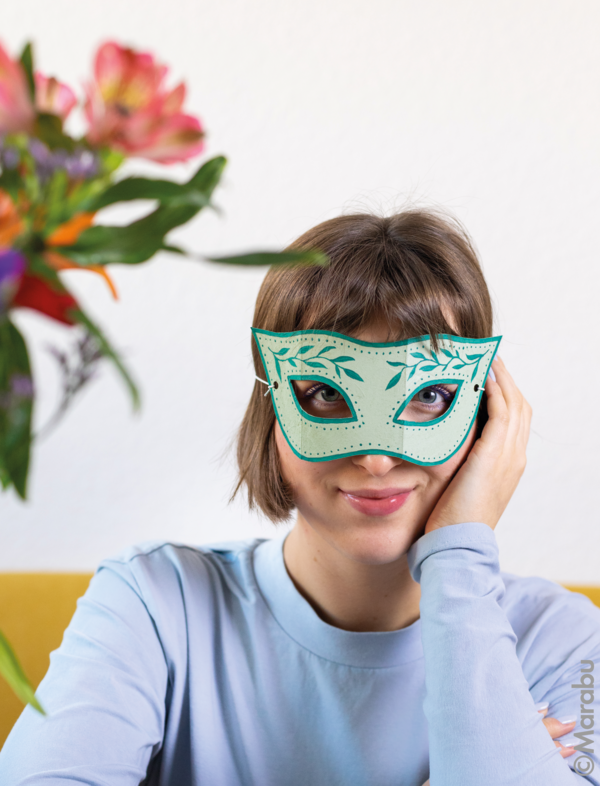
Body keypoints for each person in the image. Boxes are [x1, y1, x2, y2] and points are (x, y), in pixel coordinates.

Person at [1, 210, 599, 786]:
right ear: (270, 409)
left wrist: (461, 558)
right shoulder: (154, 605)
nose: (376, 459)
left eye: (430, 395)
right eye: (324, 394)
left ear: (488, 414)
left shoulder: (569, 643)